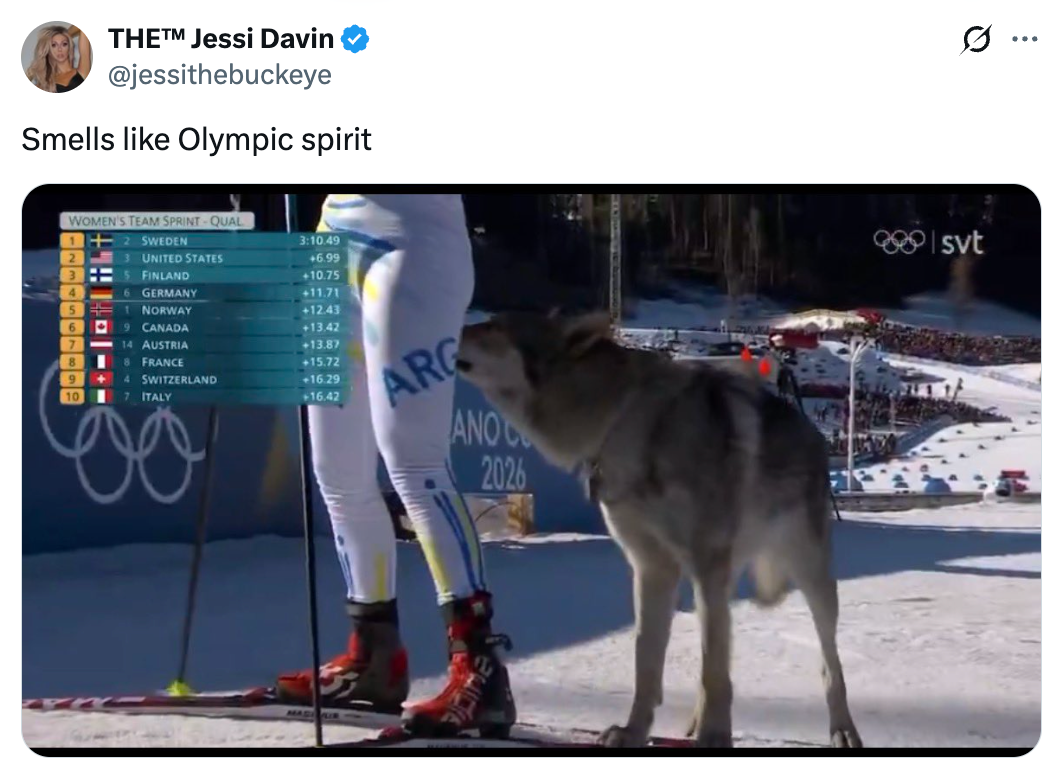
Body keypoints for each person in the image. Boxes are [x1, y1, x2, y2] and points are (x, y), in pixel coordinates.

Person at [275, 195, 516, 737]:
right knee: (336, 470)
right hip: (332, 235)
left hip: (413, 236)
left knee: (413, 461)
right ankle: (374, 656)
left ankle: (479, 665)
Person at [26, 25, 91, 93]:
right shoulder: (44, 85)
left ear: (69, 47)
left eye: (64, 44)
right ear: (47, 50)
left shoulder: (82, 71)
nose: (60, 49)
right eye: (54, 45)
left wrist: (64, 35)